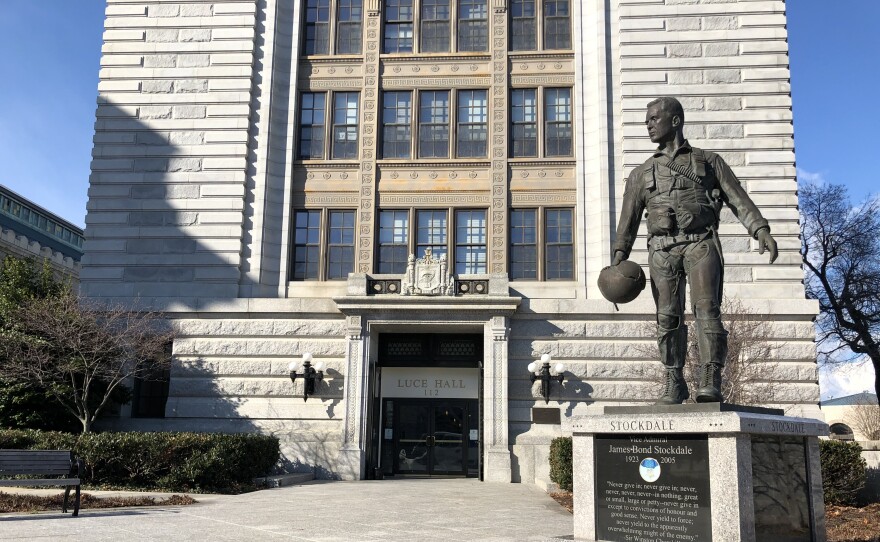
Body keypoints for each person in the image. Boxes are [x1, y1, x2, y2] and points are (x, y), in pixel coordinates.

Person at [612, 97, 778, 404]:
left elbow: (737, 199)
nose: (648, 124)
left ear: (674, 121)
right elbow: (628, 221)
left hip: (700, 244)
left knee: (707, 310)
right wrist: (618, 257)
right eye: (646, 120)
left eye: (653, 118)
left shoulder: (709, 162)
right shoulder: (640, 174)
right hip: (661, 251)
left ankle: (709, 377)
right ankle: (673, 381)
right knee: (667, 317)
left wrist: (760, 229)